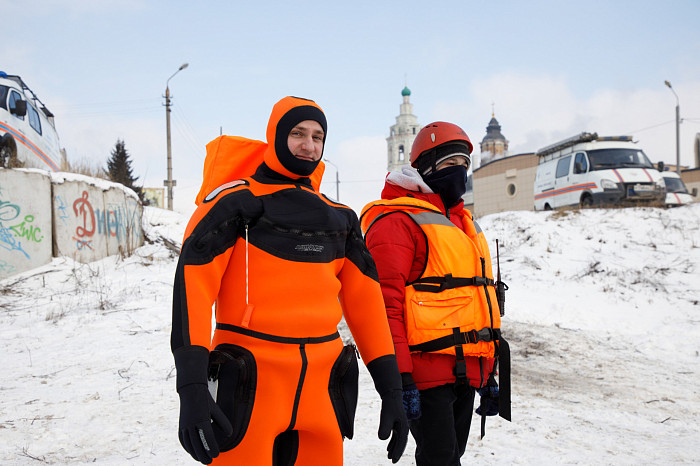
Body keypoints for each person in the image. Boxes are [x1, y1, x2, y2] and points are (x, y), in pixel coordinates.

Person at [171, 96, 409, 465]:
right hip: (250, 379)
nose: (308, 145)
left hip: (321, 385)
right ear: (276, 136)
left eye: (317, 136)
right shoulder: (234, 204)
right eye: (297, 133)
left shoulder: (340, 218)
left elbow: (367, 306)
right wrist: (191, 387)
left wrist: (391, 388)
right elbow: (193, 293)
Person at [360, 121, 505, 466]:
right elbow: (385, 308)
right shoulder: (396, 221)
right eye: (449, 165)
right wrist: (400, 380)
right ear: (424, 167)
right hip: (424, 376)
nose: (460, 173)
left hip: (465, 370)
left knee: (452, 455)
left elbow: (477, 303)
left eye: (465, 165)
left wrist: (488, 371)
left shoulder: (464, 223)